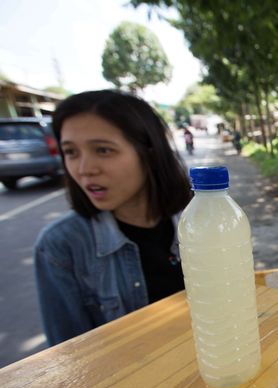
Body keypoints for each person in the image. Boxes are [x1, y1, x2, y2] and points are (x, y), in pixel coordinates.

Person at [34, 90, 193, 346]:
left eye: (103, 150)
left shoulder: (197, 221)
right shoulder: (61, 245)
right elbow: (69, 357)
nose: (85, 169)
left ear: (149, 153)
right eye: (71, 152)